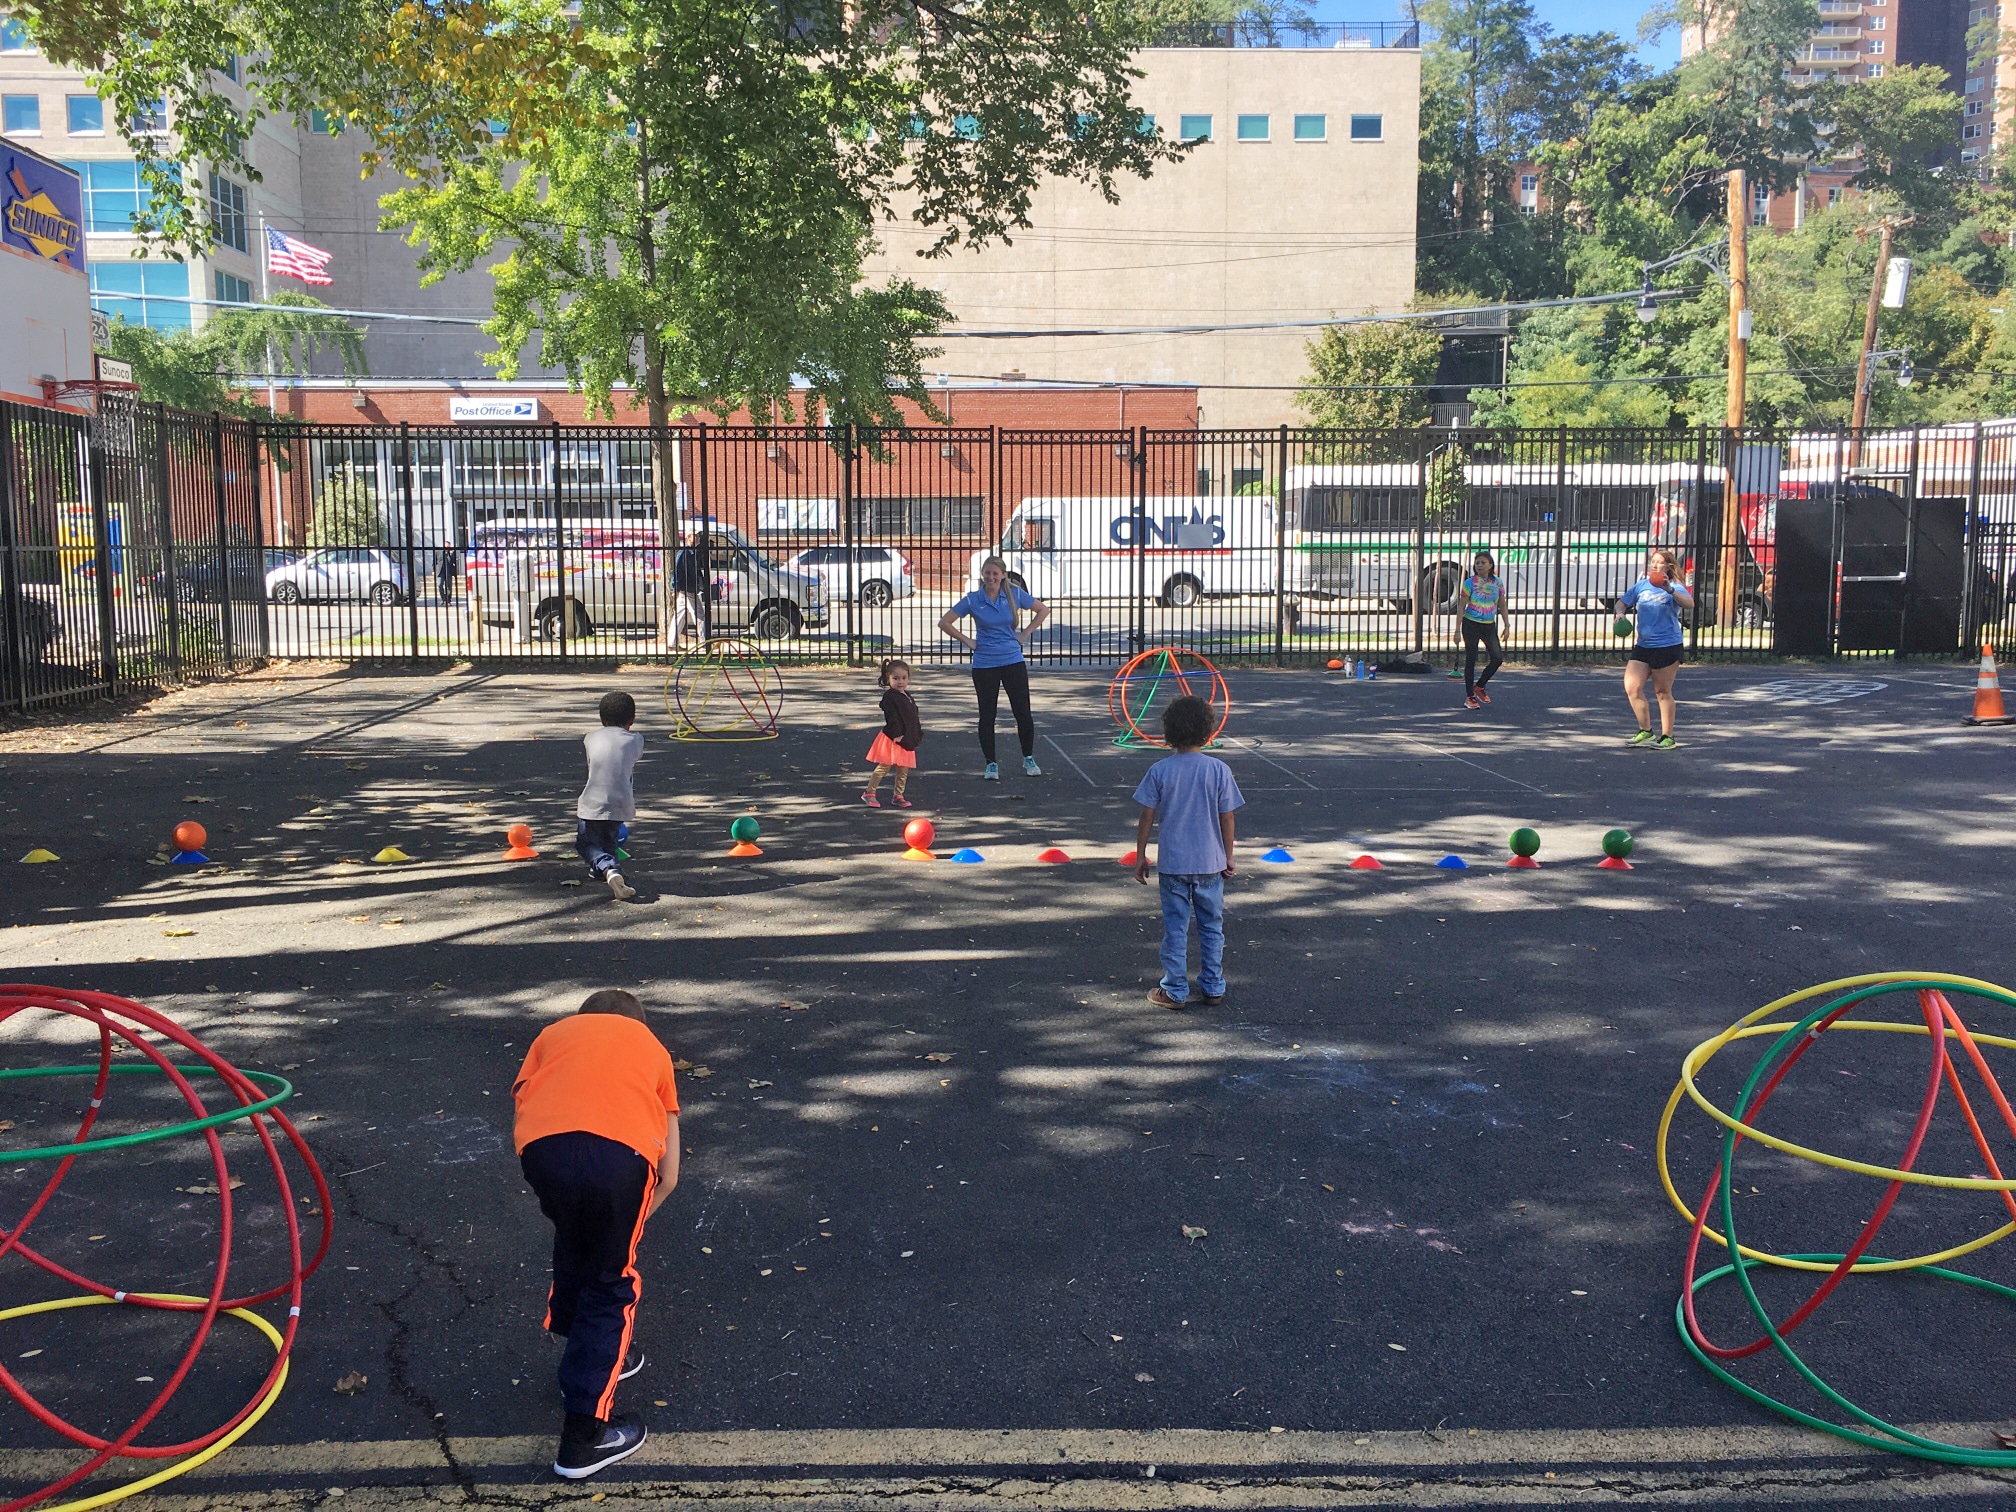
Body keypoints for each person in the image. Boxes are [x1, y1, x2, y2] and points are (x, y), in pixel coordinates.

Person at [512, 988, 680, 1480]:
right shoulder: (652, 1049)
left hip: (542, 1149)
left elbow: (524, 1102)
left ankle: (588, 1354)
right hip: (620, 1156)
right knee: (612, 1279)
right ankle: (583, 1440)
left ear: (581, 1018)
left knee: (576, 1239)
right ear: (639, 1024)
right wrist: (629, 1222)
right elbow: (669, 1174)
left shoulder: (552, 1036)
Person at [1132, 694, 1244, 1010]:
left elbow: (1146, 816)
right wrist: (1228, 855)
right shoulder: (1219, 769)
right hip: (1210, 862)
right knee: (1211, 926)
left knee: (1176, 928)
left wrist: (1141, 855)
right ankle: (1213, 985)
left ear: (1169, 732)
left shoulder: (1159, 770)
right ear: (1208, 731)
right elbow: (1227, 817)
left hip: (1174, 863)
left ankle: (1174, 989)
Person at [938, 555, 1051, 780]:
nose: (991, 577)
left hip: (1012, 660)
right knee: (987, 714)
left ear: (1003, 575)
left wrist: (1025, 634)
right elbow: (945, 622)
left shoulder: (1014, 594)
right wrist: (968, 641)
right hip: (985, 664)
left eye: (995, 573)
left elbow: (1043, 610)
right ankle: (991, 763)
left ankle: (1028, 757)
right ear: (982, 574)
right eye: (987, 573)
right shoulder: (973, 599)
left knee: (1022, 712)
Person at [1620, 547, 1694, 750]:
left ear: (1668, 566)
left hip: (1667, 646)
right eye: (1653, 561)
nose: (1654, 565)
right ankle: (1646, 731)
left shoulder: (1675, 587)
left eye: (1659, 562)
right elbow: (1621, 603)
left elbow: (1689, 604)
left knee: (1662, 691)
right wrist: (1620, 613)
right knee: (1632, 688)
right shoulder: (1642, 586)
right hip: (1644, 645)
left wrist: (1669, 590)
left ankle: (1668, 736)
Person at [577, 691, 642, 900]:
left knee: (585, 843)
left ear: (602, 719)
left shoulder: (590, 738)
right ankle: (609, 872)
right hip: (622, 801)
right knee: (609, 841)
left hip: (593, 801)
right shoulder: (636, 740)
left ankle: (608, 868)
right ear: (632, 719)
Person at [863, 658, 922, 809]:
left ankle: (898, 795)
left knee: (903, 768)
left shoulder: (907, 696)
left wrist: (916, 734)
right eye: (895, 678)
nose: (900, 682)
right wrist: (896, 734)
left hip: (906, 738)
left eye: (903, 678)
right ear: (888, 678)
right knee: (884, 766)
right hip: (893, 738)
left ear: (908, 678)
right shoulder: (890, 697)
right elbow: (892, 717)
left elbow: (913, 717)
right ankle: (869, 792)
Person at [1458, 550, 1506, 709]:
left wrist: (1507, 625)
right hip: (1471, 624)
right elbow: (1461, 606)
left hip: (1488, 625)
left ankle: (1479, 686)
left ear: (1490, 565)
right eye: (1477, 563)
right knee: (1471, 659)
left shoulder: (1497, 583)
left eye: (1483, 562)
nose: (1479, 565)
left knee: (1497, 658)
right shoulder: (1469, 583)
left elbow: (1502, 604)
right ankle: (1470, 697)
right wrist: (1457, 630)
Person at [668, 538, 706, 646]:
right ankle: (705, 642)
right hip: (687, 588)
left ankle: (672, 643)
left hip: (687, 588)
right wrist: (675, 587)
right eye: (695, 536)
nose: (697, 538)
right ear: (688, 538)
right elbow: (678, 570)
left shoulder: (692, 552)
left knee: (679, 616)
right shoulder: (685, 552)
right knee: (699, 615)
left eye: (698, 536)